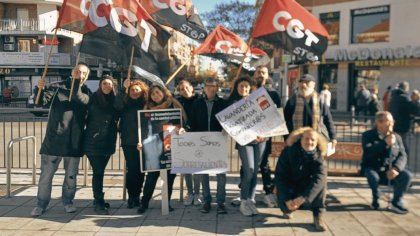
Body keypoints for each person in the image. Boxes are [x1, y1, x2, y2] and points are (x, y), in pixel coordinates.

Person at [31, 63, 92, 216]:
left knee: (71, 177)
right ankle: (41, 204)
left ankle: (68, 201)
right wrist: (39, 89)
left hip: (74, 142)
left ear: (87, 76)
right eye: (78, 71)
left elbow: (81, 100)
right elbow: (40, 102)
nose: (81, 75)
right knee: (46, 177)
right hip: (54, 141)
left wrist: (76, 83)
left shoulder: (86, 91)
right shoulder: (56, 86)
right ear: (72, 72)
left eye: (84, 73)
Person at [137, 84, 187, 213]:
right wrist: (141, 142)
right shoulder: (147, 108)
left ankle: (166, 202)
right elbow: (143, 127)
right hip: (153, 144)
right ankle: (144, 203)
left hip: (171, 144)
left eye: (158, 92)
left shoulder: (173, 104)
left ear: (163, 93)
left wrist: (182, 129)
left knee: (170, 177)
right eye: (153, 94)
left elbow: (183, 122)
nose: (156, 96)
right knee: (151, 177)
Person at [275, 127, 328, 232]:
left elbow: (320, 178)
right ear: (300, 139)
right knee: (285, 203)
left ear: (317, 142)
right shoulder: (288, 152)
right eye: (306, 139)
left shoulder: (319, 156)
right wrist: (286, 198)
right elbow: (280, 176)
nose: (309, 142)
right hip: (292, 186)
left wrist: (304, 197)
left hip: (306, 189)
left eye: (313, 140)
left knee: (322, 184)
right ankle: (286, 209)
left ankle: (318, 216)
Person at [189, 77, 229, 214]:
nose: (211, 88)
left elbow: (230, 120)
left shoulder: (224, 103)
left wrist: (227, 128)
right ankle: (206, 201)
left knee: (221, 174)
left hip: (219, 142)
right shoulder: (197, 103)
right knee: (203, 173)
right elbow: (192, 122)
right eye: (208, 86)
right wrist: (188, 132)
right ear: (204, 87)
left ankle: (221, 202)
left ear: (217, 88)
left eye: (214, 86)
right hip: (201, 143)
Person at [361, 111, 412, 214]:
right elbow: (368, 152)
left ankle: (396, 202)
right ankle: (376, 198)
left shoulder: (396, 137)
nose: (392, 124)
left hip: (390, 170)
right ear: (379, 123)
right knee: (372, 176)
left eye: (392, 121)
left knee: (407, 175)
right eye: (388, 121)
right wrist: (384, 143)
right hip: (373, 168)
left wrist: (396, 168)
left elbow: (403, 155)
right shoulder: (368, 135)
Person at [228, 77, 265, 216]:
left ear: (250, 87)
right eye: (241, 86)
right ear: (237, 88)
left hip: (261, 140)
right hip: (245, 141)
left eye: (246, 86)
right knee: (248, 170)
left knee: (255, 171)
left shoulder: (257, 99)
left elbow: (267, 117)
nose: (243, 88)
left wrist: (265, 134)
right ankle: (243, 201)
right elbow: (231, 125)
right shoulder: (233, 104)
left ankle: (250, 199)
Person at [83, 75, 119, 215]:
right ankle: (98, 201)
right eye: (104, 83)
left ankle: (99, 199)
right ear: (100, 85)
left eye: (109, 84)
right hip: (93, 141)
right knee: (98, 172)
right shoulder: (92, 98)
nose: (107, 86)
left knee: (100, 172)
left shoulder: (114, 100)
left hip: (108, 142)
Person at [114, 79, 149, 211]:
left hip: (143, 141)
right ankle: (131, 196)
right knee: (132, 169)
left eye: (137, 90)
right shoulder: (125, 103)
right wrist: (123, 89)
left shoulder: (146, 104)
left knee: (141, 170)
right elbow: (117, 106)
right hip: (128, 141)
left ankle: (137, 195)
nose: (134, 92)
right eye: (132, 90)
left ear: (142, 92)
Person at [284, 74, 337, 148]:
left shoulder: (320, 100)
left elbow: (328, 119)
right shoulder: (293, 100)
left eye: (306, 82)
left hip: (314, 140)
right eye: (301, 82)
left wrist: (333, 137)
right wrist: (287, 138)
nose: (303, 84)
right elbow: (286, 120)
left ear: (313, 85)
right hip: (296, 141)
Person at [176, 79, 201, 206]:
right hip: (183, 138)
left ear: (192, 87)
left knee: (196, 168)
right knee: (186, 168)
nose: (184, 90)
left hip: (198, 138)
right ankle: (190, 193)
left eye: (186, 87)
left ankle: (197, 193)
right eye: (181, 89)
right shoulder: (178, 102)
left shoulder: (200, 100)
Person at [389, 81, 416, 153]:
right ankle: (404, 158)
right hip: (402, 124)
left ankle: (396, 156)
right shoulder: (405, 98)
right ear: (406, 88)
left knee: (396, 141)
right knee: (402, 142)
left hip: (394, 123)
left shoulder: (393, 97)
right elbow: (413, 109)